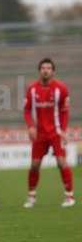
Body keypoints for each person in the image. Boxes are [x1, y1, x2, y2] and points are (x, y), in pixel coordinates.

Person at [23, 58, 74, 208]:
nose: (46, 70)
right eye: (43, 68)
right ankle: (31, 196)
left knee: (61, 162)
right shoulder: (32, 89)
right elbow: (26, 110)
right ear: (39, 70)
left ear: (53, 71)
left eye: (49, 68)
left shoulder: (61, 89)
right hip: (39, 134)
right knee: (34, 165)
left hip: (56, 133)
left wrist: (63, 131)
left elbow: (65, 112)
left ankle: (69, 196)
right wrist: (31, 126)